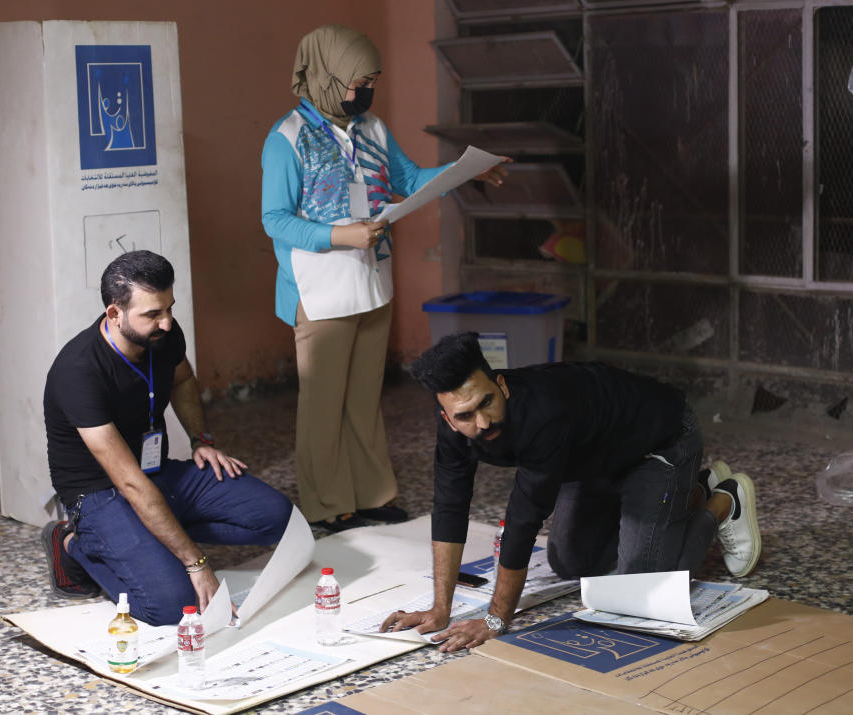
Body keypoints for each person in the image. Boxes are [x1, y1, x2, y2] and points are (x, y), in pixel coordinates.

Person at [260, 24, 508, 532]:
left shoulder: (371, 128)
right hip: (320, 290)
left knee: (362, 400)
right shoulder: (286, 139)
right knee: (322, 407)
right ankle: (328, 504)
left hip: (372, 285)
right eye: (358, 81)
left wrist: (464, 173)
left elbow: (410, 180)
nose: (366, 91)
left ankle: (372, 494)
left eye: (372, 80)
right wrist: (342, 236)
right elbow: (275, 218)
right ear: (327, 77)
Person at [381, 332, 761, 652]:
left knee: (641, 591)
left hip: (660, 441)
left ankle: (722, 500)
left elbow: (523, 519)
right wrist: (439, 609)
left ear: (501, 385)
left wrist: (495, 619)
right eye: (464, 416)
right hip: (592, 458)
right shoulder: (453, 426)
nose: (482, 422)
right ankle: (685, 492)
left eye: (487, 403)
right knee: (571, 562)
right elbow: (449, 506)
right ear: (447, 417)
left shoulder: (544, 415)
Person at [41, 250, 292, 626]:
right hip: (100, 492)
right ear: (114, 313)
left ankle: (150, 535)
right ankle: (74, 544)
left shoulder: (164, 335)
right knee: (171, 606)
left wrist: (200, 440)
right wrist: (195, 562)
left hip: (154, 472)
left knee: (278, 519)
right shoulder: (79, 371)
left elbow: (183, 379)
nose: (167, 322)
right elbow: (128, 482)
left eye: (169, 308)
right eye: (153, 314)